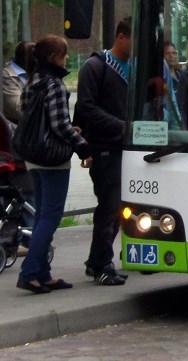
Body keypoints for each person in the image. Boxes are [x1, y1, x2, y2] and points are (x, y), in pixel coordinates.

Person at [15, 34, 90, 294]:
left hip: (32, 157)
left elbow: (27, 114)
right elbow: (59, 125)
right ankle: (29, 273)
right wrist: (82, 145)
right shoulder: (55, 85)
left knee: (41, 215)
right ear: (54, 57)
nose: (67, 58)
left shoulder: (31, 82)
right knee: (51, 215)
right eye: (64, 54)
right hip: (53, 159)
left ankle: (43, 274)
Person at [73, 16, 131, 286]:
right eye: (134, 40)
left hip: (122, 147)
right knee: (109, 206)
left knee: (115, 206)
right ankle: (102, 265)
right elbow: (86, 107)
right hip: (105, 147)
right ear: (121, 37)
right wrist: (120, 126)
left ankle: (97, 261)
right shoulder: (95, 67)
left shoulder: (132, 67)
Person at [3, 40, 36, 238]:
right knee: (27, 190)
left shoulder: (34, 78)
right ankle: (27, 235)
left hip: (30, 144)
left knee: (32, 190)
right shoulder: (9, 77)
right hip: (15, 144)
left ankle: (28, 234)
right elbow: (17, 107)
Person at [3, 40, 34, 123]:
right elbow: (18, 110)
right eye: (34, 58)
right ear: (25, 59)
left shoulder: (33, 73)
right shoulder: (7, 76)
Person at [163, 41, 188, 130]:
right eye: (168, 53)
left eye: (174, 53)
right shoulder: (163, 78)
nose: (171, 56)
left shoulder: (183, 75)